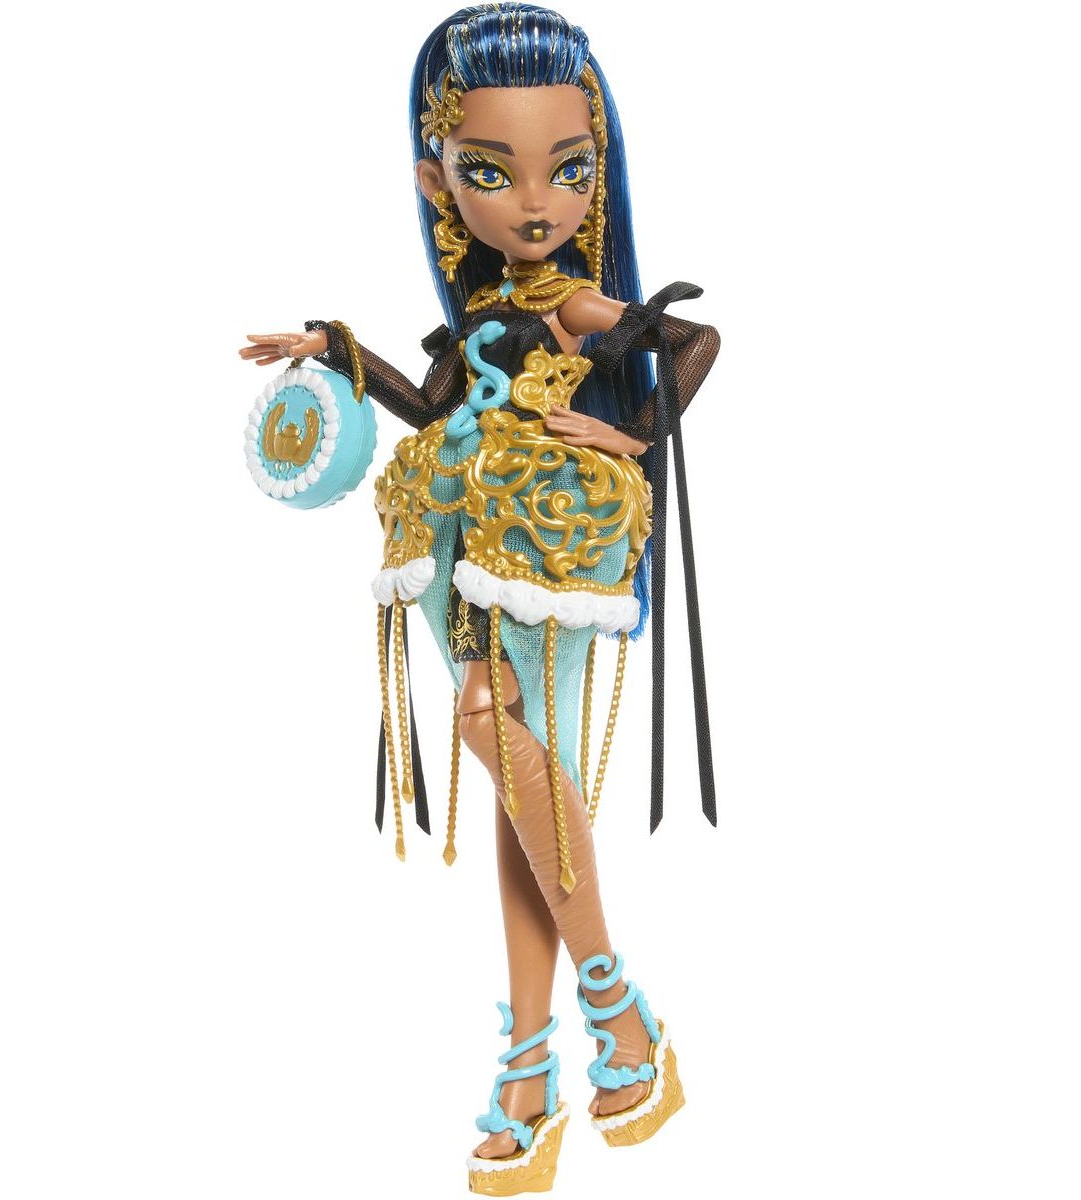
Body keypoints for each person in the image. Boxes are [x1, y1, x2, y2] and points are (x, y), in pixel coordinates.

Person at [239, 6, 720, 1193]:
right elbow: (424, 405)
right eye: (493, 172)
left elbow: (695, 341)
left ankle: (609, 1005)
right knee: (515, 784)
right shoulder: (477, 317)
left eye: (568, 169)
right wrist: (338, 350)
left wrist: (629, 433)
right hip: (455, 536)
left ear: (596, 173)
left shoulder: (569, 302)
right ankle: (540, 1058)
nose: (537, 203)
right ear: (438, 180)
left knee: (500, 743)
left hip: (547, 541)